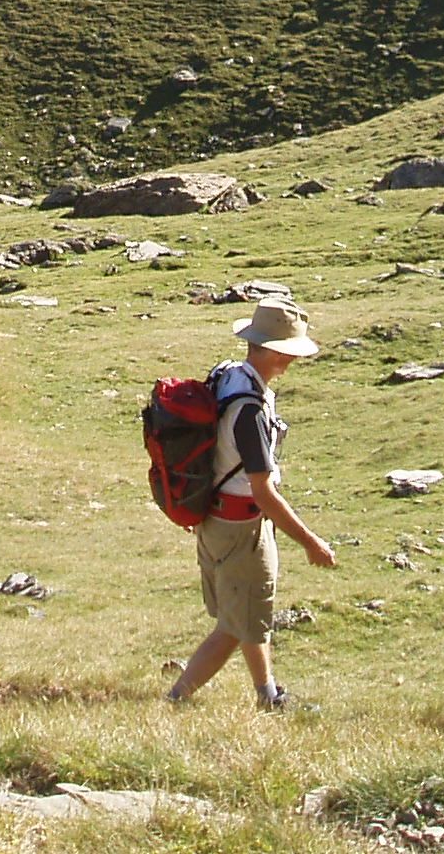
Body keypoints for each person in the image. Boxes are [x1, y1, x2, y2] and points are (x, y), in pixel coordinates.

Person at [166, 300, 336, 709]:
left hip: (212, 519)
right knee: (234, 627)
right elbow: (263, 492)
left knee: (246, 618)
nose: (293, 361)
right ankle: (176, 699)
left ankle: (268, 694)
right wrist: (311, 542)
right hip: (242, 530)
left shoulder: (228, 376)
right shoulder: (251, 411)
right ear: (277, 352)